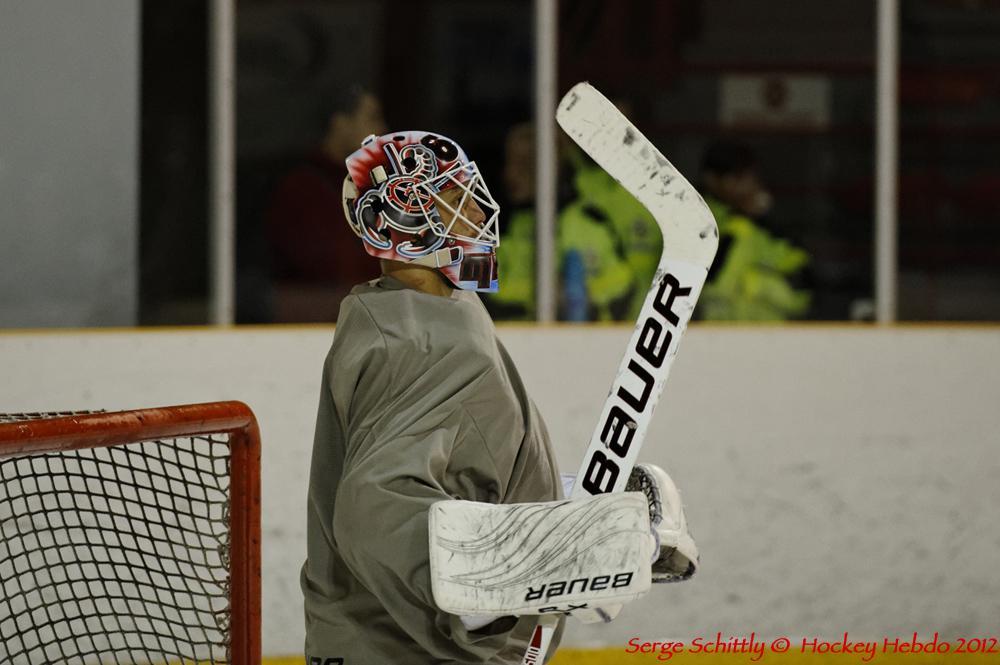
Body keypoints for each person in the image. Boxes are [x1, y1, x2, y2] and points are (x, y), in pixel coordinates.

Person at [300, 130, 699, 664]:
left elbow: (456, 474)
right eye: (453, 198)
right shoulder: (417, 340)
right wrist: (529, 571)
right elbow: (376, 507)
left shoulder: (426, 314)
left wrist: (561, 503)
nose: (477, 212)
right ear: (406, 220)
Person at [265, 86, 387, 321]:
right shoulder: (301, 189)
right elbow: (326, 266)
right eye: (372, 118)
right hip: (317, 320)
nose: (381, 131)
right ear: (340, 123)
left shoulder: (374, 186)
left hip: (364, 314)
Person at [698, 141, 811, 321]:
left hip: (769, 333)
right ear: (712, 179)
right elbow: (708, 287)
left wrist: (757, 283)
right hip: (712, 330)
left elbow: (802, 291)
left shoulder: (767, 229)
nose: (747, 185)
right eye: (737, 177)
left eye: (750, 177)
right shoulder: (697, 219)